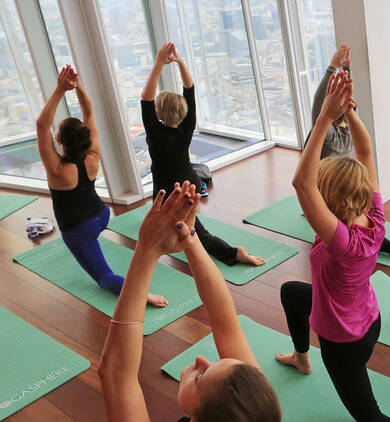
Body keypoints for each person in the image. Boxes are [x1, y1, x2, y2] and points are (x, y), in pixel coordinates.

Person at [98, 181, 281, 422]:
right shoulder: (252, 411)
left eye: (200, 377)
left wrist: (147, 250)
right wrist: (190, 239)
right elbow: (224, 321)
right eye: (215, 363)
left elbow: (116, 375)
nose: (200, 359)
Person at [275, 72, 390, 422]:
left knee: (371, 418)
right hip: (369, 320)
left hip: (344, 342)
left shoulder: (340, 240)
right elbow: (365, 151)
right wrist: (349, 112)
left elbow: (301, 182)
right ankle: (301, 356)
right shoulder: (374, 216)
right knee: (291, 293)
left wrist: (326, 118)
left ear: (327, 200)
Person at [36, 65, 167, 307]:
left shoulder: (58, 170)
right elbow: (88, 112)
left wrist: (59, 90)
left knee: (104, 277)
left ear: (59, 140)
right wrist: (77, 87)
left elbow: (41, 125)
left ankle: (143, 296)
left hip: (79, 230)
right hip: (102, 214)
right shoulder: (92, 156)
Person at [141, 43, 265, 267]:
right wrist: (179, 62)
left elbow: (145, 98)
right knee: (178, 225)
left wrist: (159, 65)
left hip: (171, 192)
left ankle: (234, 253)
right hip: (191, 184)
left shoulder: (155, 132)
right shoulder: (186, 127)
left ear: (159, 113)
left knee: (194, 233)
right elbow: (190, 88)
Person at [304, 44, 390, 260]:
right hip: (337, 187)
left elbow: (323, 109)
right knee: (362, 225)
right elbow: (324, 107)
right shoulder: (338, 132)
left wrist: (337, 69)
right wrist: (341, 69)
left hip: (333, 189)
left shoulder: (336, 132)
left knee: (346, 229)